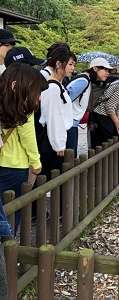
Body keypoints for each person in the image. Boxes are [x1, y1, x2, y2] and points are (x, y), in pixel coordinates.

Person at [0, 63, 48, 234]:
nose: (39, 97)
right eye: (37, 91)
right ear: (16, 87)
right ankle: (8, 251)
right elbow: (28, 138)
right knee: (13, 213)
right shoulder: (23, 110)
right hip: (15, 166)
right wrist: (36, 163)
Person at [37, 46, 76, 181]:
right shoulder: (52, 87)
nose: (72, 68)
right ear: (58, 64)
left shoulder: (57, 84)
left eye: (73, 65)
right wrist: (58, 143)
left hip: (55, 137)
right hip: (51, 140)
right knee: (50, 177)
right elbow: (53, 116)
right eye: (70, 64)